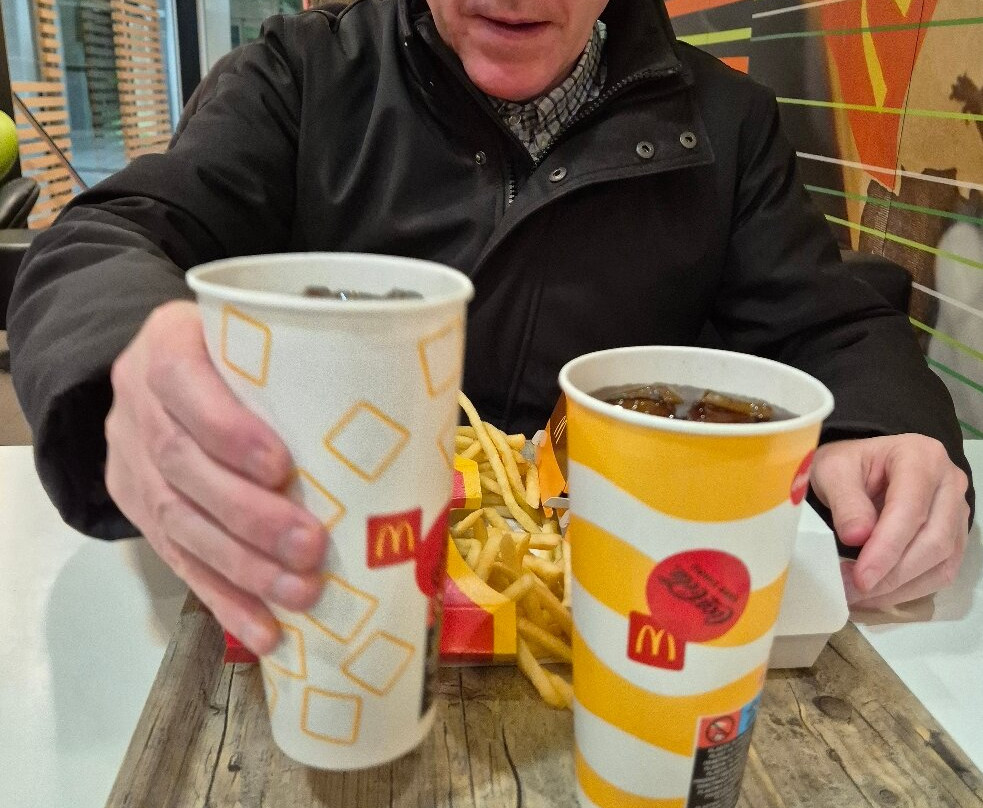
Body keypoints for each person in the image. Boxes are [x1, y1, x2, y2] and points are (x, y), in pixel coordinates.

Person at [7, 0, 972, 656]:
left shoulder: (728, 121)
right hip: (329, 597)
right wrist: (122, 355)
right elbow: (106, 238)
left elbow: (827, 325)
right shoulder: (299, 75)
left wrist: (882, 427)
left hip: (625, 621)